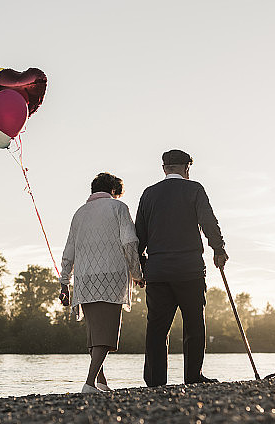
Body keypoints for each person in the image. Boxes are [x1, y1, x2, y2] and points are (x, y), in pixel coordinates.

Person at [135, 149, 228, 386]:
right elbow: (208, 221)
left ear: (164, 168)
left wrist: (140, 267)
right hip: (189, 270)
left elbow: (139, 236)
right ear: (187, 168)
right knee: (194, 324)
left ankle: (155, 381)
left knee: (157, 327)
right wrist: (218, 249)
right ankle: (193, 376)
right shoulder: (194, 189)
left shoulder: (148, 194)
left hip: (157, 272)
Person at [59, 172, 144, 394]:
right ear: (114, 190)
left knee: (94, 332)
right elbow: (129, 241)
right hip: (111, 276)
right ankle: (89, 383)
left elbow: (69, 250)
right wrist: (137, 273)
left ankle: (101, 382)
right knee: (105, 334)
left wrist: (64, 282)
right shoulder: (118, 208)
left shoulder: (79, 213)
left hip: (85, 279)